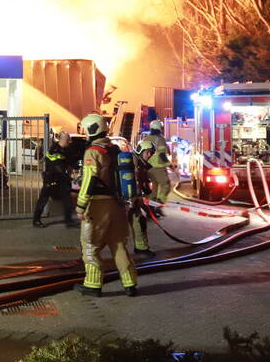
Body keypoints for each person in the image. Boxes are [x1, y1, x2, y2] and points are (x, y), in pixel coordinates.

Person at [75, 113, 138, 297]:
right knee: (118, 245)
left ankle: (93, 285)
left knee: (90, 245)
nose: (85, 134)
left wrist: (80, 206)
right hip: (117, 206)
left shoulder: (93, 152)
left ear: (91, 129)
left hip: (98, 205)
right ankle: (130, 284)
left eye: (85, 130)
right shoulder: (115, 149)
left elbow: (88, 179)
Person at [33, 131, 77, 228]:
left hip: (60, 180)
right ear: (64, 140)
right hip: (51, 179)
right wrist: (68, 177)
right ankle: (36, 220)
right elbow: (57, 167)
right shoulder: (55, 150)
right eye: (68, 140)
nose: (69, 142)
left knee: (67, 200)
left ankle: (69, 221)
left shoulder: (64, 149)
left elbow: (66, 163)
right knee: (43, 200)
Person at [138, 120, 172, 211]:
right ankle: (159, 204)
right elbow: (162, 155)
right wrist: (170, 165)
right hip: (158, 168)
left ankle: (150, 208)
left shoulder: (146, 139)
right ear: (160, 128)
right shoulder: (160, 139)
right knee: (166, 185)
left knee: (153, 189)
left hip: (147, 168)